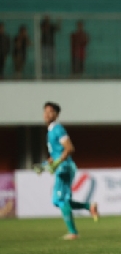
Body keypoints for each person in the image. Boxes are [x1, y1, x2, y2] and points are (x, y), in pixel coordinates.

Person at [42, 102, 98, 240]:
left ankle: (73, 233)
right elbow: (56, 153)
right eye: (45, 111)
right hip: (62, 166)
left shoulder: (58, 129)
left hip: (65, 167)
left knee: (61, 199)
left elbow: (69, 148)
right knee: (57, 200)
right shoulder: (50, 132)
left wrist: (57, 162)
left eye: (50, 111)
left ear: (56, 114)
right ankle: (89, 206)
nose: (47, 114)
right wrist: (47, 163)